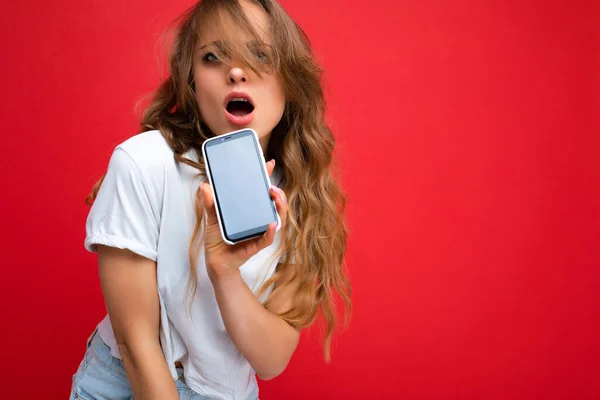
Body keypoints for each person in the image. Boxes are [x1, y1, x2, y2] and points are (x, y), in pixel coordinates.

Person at [69, 0, 351, 399]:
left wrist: (225, 272)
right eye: (212, 57)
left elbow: (270, 362)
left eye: (259, 54)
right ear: (192, 82)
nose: (236, 71)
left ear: (290, 80)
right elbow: (137, 344)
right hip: (125, 383)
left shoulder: (300, 196)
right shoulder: (142, 163)